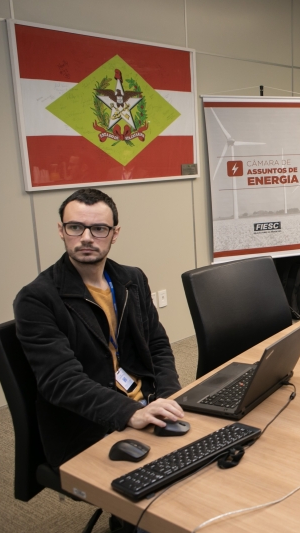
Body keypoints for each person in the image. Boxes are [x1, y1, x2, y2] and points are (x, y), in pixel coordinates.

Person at [14, 188, 183, 468]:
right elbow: (61, 381)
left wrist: (169, 396)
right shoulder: (37, 299)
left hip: (147, 404)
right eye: (76, 227)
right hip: (91, 424)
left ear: (114, 234)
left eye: (99, 229)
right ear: (61, 230)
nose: (87, 238)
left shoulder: (131, 280)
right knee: (177, 482)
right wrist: (131, 412)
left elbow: (157, 345)